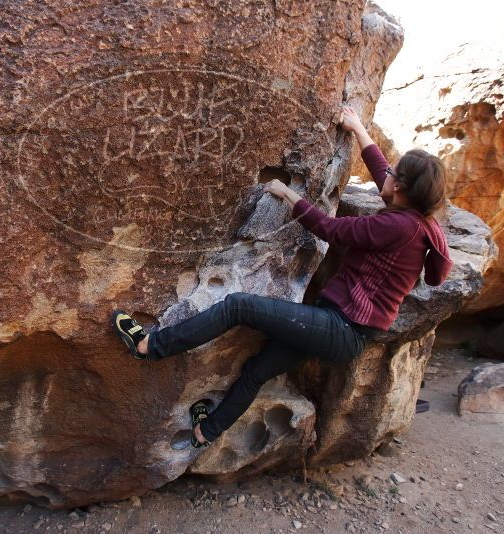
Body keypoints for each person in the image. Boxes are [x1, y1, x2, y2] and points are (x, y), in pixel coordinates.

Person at [112, 106, 453, 449]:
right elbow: (383, 172)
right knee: (257, 371)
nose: (387, 174)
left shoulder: (396, 226)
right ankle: (206, 432)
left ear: (404, 188)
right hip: (340, 328)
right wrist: (359, 129)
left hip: (340, 328)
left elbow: (331, 229)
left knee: (237, 307)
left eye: (395, 173)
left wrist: (289, 194)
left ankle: (150, 346)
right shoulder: (416, 219)